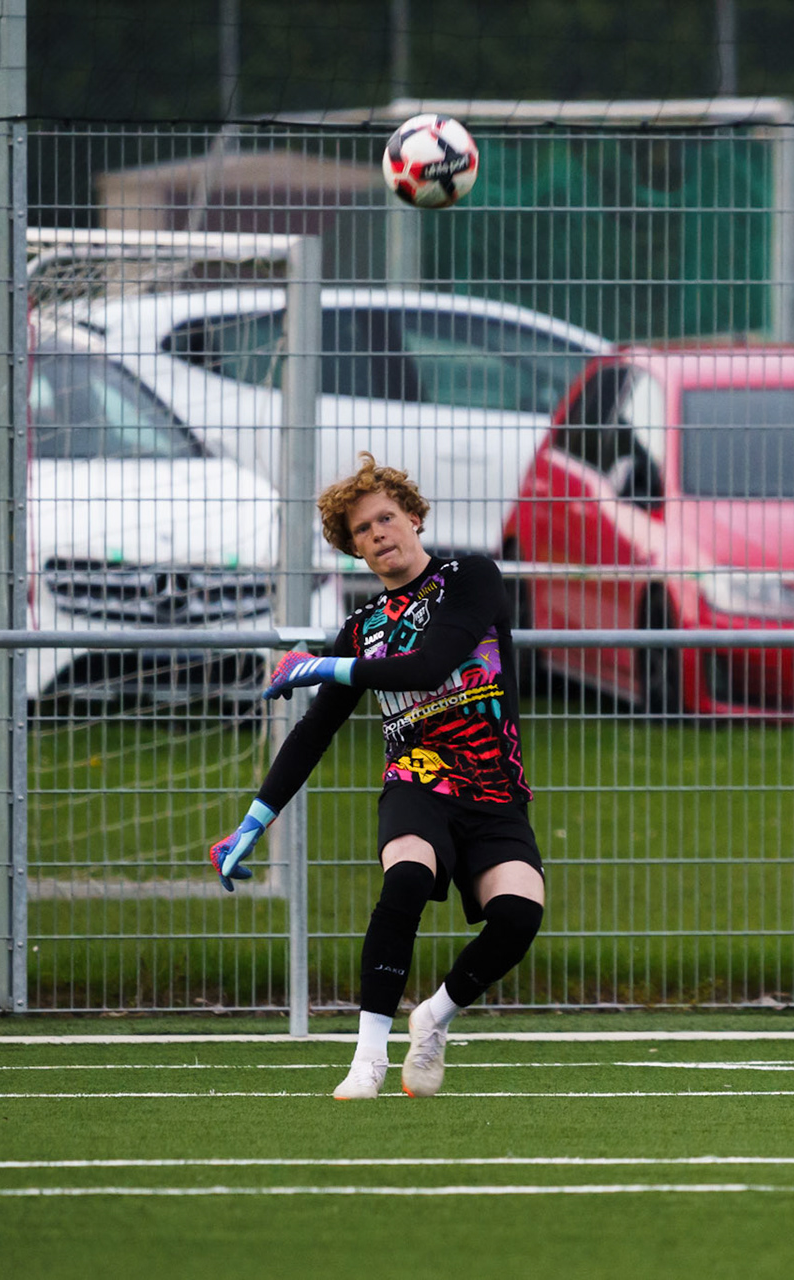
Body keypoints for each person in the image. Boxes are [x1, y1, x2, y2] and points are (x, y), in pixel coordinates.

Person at [208, 452, 544, 1100]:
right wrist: (251, 824)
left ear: (414, 518)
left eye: (386, 518)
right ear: (353, 550)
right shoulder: (361, 631)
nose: (379, 534)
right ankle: (368, 1058)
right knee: (409, 877)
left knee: (518, 917)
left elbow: (432, 663)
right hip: (417, 783)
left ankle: (435, 1016)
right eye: (362, 531)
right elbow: (311, 735)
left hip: (495, 790)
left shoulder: (469, 578)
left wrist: (321, 667)